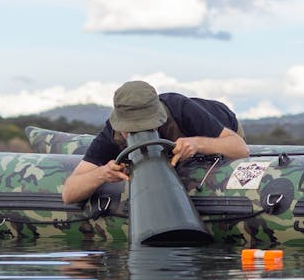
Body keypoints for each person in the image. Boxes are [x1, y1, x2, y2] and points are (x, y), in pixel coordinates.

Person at [62, 80, 249, 203]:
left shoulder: (181, 109)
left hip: (223, 124)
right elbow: (69, 193)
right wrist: (102, 174)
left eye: (146, 126)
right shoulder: (111, 134)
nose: (138, 132)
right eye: (132, 129)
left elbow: (240, 148)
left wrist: (198, 144)